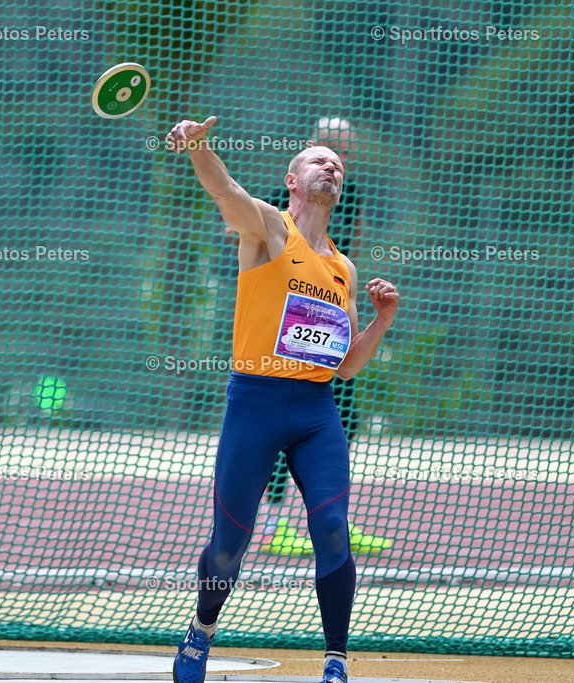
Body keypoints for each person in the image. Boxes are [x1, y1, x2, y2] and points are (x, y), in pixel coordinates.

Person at [165, 115, 400, 683]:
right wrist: (199, 146)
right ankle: (202, 629)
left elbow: (345, 366)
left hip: (316, 413)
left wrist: (382, 319)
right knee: (229, 545)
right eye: (319, 161)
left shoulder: (342, 266)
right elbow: (224, 188)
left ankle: (336, 663)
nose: (332, 167)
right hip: (256, 403)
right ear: (292, 180)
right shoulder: (267, 229)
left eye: (337, 165)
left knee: (332, 529)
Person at [257, 118, 392, 557]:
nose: (338, 160)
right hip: (288, 328)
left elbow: (348, 239)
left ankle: (333, 520)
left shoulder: (350, 194)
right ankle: (273, 527)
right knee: (279, 432)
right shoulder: (289, 194)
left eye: (345, 151)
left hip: (330, 312)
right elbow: (247, 228)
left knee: (345, 417)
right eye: (331, 148)